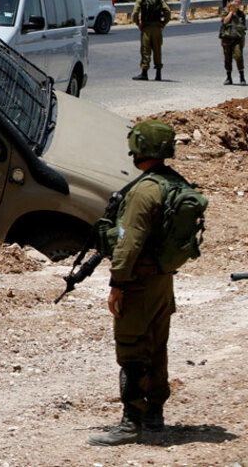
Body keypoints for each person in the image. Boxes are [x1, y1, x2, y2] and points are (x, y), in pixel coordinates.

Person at [87, 120, 188, 446]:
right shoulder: (174, 182)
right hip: (162, 281)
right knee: (156, 348)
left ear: (140, 148)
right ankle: (155, 419)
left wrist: (117, 283)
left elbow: (128, 243)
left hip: (139, 283)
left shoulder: (145, 191)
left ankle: (132, 422)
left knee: (131, 351)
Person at [131, 0, 171, 81]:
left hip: (146, 28)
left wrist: (138, 23)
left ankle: (144, 73)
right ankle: (158, 74)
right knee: (157, 50)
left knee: (145, 50)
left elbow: (135, 13)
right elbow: (168, 12)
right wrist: (164, 23)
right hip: (157, 28)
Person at [220, 0, 247, 85]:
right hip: (227, 39)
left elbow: (243, 28)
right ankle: (228, 77)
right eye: (235, 1)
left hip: (237, 39)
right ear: (232, 2)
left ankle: (242, 77)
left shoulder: (241, 14)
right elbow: (224, 21)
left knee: (239, 56)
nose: (236, 3)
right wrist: (231, 13)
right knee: (227, 58)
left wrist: (243, 40)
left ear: (240, 4)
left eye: (238, 2)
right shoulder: (225, 11)